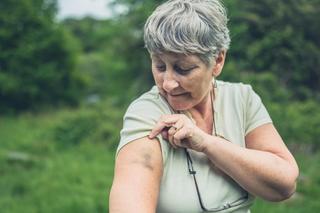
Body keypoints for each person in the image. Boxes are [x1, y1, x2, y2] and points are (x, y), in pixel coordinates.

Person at [109, 0, 299, 212]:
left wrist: (206, 144)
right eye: (160, 66)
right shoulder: (146, 115)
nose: (168, 83)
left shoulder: (242, 98)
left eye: (183, 69)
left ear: (218, 60)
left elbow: (284, 185)